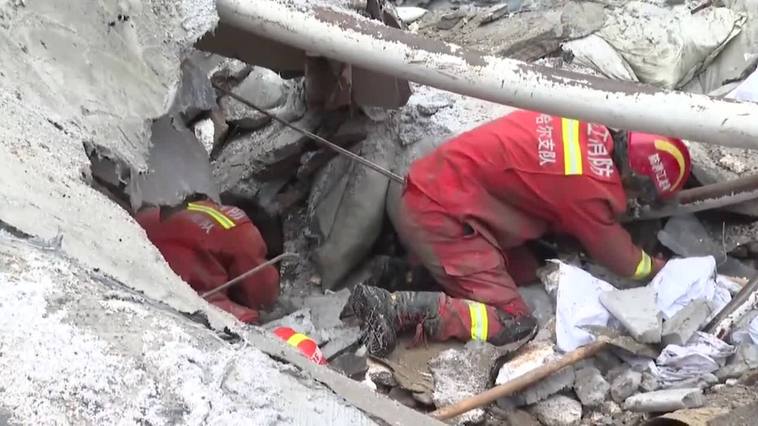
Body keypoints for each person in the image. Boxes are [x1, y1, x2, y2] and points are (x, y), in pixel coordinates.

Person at [349, 110, 691, 356]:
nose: (635, 202)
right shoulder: (590, 188)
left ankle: (405, 272)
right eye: (642, 196)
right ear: (636, 179)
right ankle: (395, 307)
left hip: (434, 189)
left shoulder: (581, 122)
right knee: (514, 322)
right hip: (443, 219)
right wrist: (664, 270)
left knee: (529, 268)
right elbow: (621, 259)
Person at [134, 196, 280, 324]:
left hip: (131, 264)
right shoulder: (241, 229)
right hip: (175, 293)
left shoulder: (197, 207)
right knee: (244, 322)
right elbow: (261, 293)